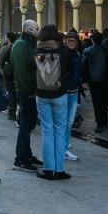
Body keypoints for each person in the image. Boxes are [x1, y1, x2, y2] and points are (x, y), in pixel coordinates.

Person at [33, 24, 72, 180]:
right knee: (60, 131)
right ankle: (60, 169)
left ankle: (48, 169)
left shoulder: (36, 51)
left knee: (47, 131)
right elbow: (70, 70)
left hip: (42, 95)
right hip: (59, 94)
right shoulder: (64, 51)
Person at [10, 20, 42, 172]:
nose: (38, 30)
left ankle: (27, 155)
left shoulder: (27, 44)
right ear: (29, 30)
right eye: (36, 28)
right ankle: (21, 159)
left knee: (28, 125)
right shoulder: (21, 45)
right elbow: (22, 72)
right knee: (25, 125)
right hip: (26, 92)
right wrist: (30, 92)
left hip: (29, 91)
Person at [82, 30, 108, 133]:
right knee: (104, 102)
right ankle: (104, 123)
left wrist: (85, 80)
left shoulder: (88, 50)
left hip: (93, 81)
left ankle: (99, 124)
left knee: (97, 104)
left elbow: (84, 67)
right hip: (106, 80)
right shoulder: (106, 51)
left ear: (92, 40)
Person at [62, 30, 83, 161]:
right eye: (69, 40)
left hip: (73, 91)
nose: (71, 43)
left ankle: (65, 143)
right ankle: (63, 148)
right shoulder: (63, 54)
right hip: (65, 92)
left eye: (74, 41)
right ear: (65, 41)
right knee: (64, 121)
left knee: (69, 121)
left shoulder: (76, 53)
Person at [0, 32, 19, 121]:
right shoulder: (18, 47)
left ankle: (11, 111)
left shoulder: (5, 48)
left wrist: (3, 75)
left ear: (8, 38)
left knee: (11, 94)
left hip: (8, 75)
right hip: (17, 75)